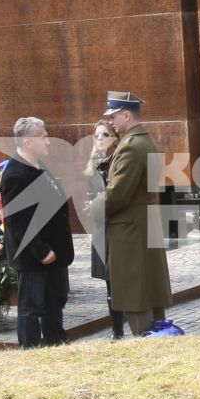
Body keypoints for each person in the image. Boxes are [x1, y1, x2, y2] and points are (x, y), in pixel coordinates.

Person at [89, 91, 173, 336]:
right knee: (148, 289)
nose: (112, 122)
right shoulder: (144, 140)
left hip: (130, 229)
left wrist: (93, 208)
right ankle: (157, 340)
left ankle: (146, 346)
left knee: (135, 295)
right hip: (142, 223)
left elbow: (117, 194)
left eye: (114, 116)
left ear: (126, 115)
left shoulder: (131, 146)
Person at [0, 116, 75, 347]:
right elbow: (17, 221)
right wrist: (41, 250)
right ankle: (30, 350)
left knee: (55, 301)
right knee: (31, 307)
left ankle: (56, 343)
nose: (48, 142)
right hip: (34, 255)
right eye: (44, 138)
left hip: (55, 252)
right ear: (28, 142)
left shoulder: (40, 166)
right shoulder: (15, 174)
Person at [83, 119, 124, 338]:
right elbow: (91, 197)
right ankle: (117, 332)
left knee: (123, 280)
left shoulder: (119, 162)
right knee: (110, 284)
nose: (99, 139)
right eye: (96, 135)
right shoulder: (92, 168)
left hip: (118, 226)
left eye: (104, 135)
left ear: (114, 139)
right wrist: (91, 206)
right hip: (101, 229)